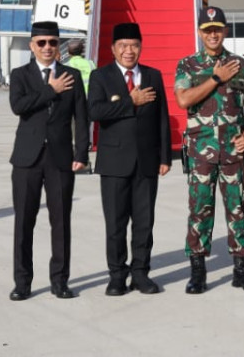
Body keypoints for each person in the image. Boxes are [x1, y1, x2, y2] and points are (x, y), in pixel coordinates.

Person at [174, 6, 244, 294]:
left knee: (237, 208)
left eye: (218, 29)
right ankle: (198, 271)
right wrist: (214, 78)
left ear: (225, 31)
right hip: (201, 151)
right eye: (207, 29)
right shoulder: (188, 65)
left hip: (233, 152)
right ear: (200, 32)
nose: (213, 34)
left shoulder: (239, 64)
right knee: (200, 209)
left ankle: (242, 269)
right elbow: (183, 100)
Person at [7, 21, 88, 301]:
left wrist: (81, 154)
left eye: (52, 42)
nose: (47, 47)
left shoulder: (73, 75)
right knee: (23, 223)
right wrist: (51, 90)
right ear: (32, 46)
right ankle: (22, 283)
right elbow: (19, 107)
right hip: (26, 160)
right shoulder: (20, 75)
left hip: (60, 159)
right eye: (41, 43)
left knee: (61, 222)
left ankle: (60, 281)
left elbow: (82, 118)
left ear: (59, 46)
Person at [88, 21, 171, 296]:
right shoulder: (101, 77)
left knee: (144, 223)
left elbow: (161, 119)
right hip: (114, 163)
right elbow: (95, 112)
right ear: (113, 48)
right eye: (123, 46)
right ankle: (116, 275)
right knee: (115, 224)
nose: (129, 51)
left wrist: (165, 156)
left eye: (134, 45)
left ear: (141, 47)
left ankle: (140, 273)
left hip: (147, 162)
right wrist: (129, 101)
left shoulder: (153, 75)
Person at [64, 38, 97, 162]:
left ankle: (73, 147)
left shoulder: (66, 66)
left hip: (71, 101)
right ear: (82, 51)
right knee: (84, 126)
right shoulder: (90, 64)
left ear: (68, 52)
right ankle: (84, 147)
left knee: (72, 126)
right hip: (88, 100)